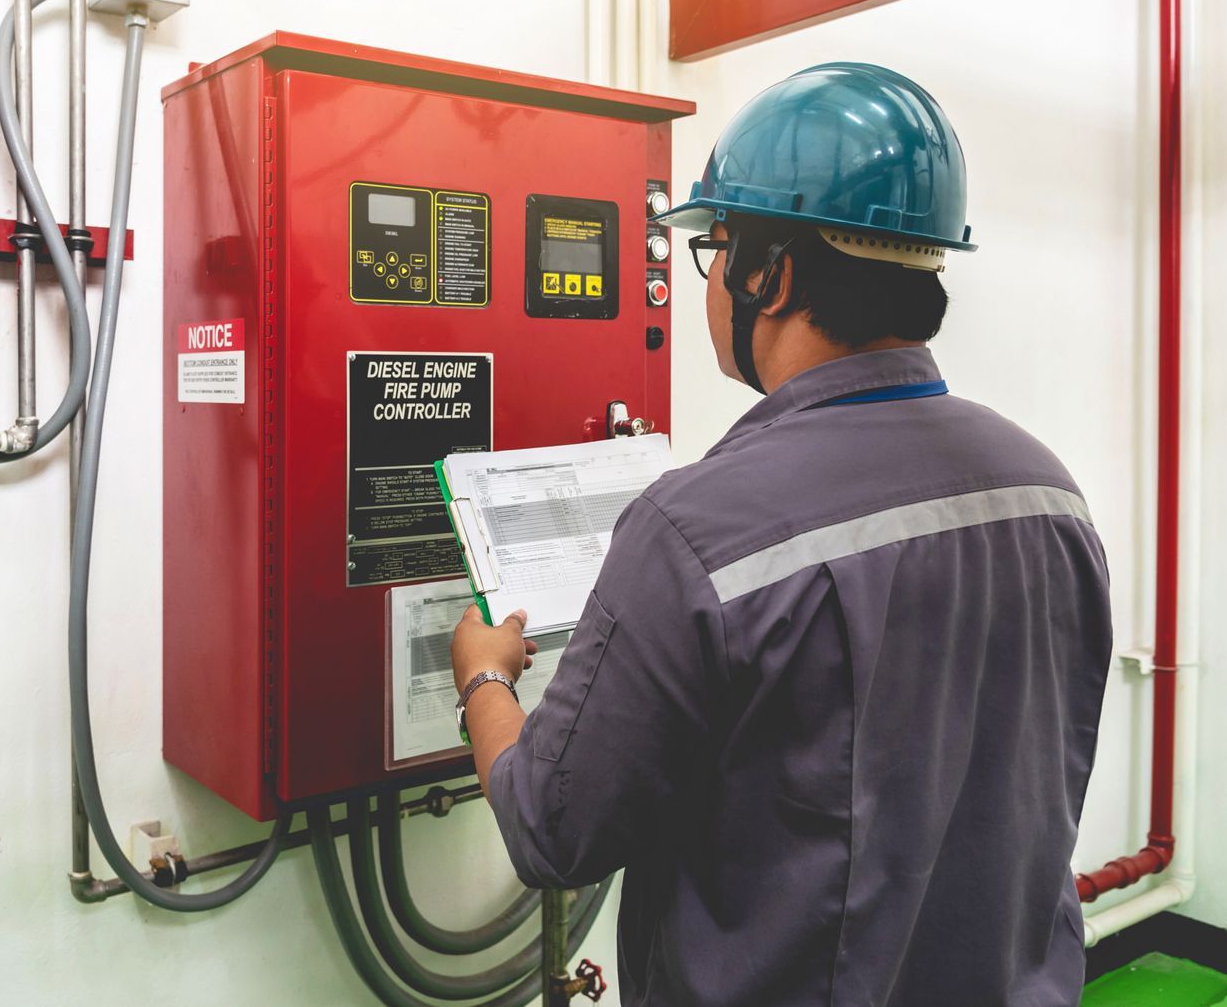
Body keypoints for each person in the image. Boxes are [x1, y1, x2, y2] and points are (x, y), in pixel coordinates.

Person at [450, 62, 1112, 1007]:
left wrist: (484, 677)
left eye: (716, 250)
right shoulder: (1048, 491)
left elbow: (555, 833)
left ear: (770, 272)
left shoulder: (696, 528)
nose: (713, 283)